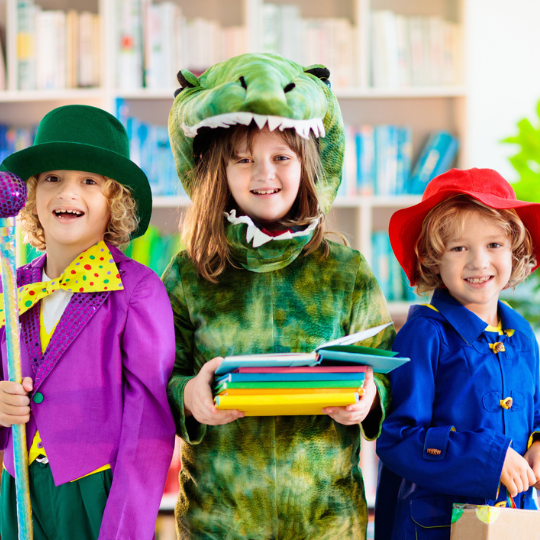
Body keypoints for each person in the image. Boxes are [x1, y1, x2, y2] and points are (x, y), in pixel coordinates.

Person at [163, 53, 395, 539]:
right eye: (243, 158)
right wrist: (190, 396)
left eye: (281, 157)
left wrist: (369, 397)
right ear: (217, 171)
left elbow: (387, 369)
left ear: (306, 164)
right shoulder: (188, 273)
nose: (263, 174)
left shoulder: (346, 270)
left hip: (327, 519)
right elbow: (158, 376)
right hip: (218, 520)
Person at [0, 104, 176, 539]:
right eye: (53, 178)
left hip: (97, 495)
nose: (67, 193)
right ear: (32, 194)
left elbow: (148, 428)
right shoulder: (10, 287)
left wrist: (122, 530)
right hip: (17, 491)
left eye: (89, 181)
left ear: (115, 201)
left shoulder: (137, 291)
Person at [376, 168, 540, 539]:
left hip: (513, 522)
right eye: (459, 247)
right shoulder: (424, 334)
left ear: (515, 252)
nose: (478, 262)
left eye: (494, 245)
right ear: (434, 259)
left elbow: (535, 411)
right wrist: (488, 458)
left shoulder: (522, 335)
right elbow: (398, 438)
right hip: (435, 527)